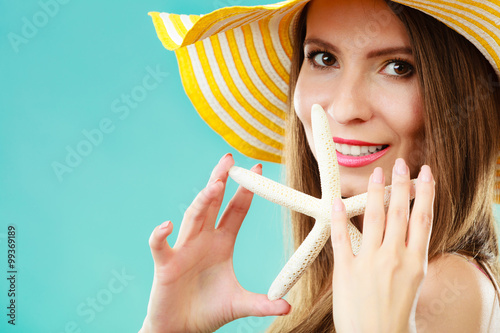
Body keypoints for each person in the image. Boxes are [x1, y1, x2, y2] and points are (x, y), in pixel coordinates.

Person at [140, 0, 500, 331]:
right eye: (324, 58)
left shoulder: (440, 286)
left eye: (398, 67)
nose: (344, 108)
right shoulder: (340, 280)